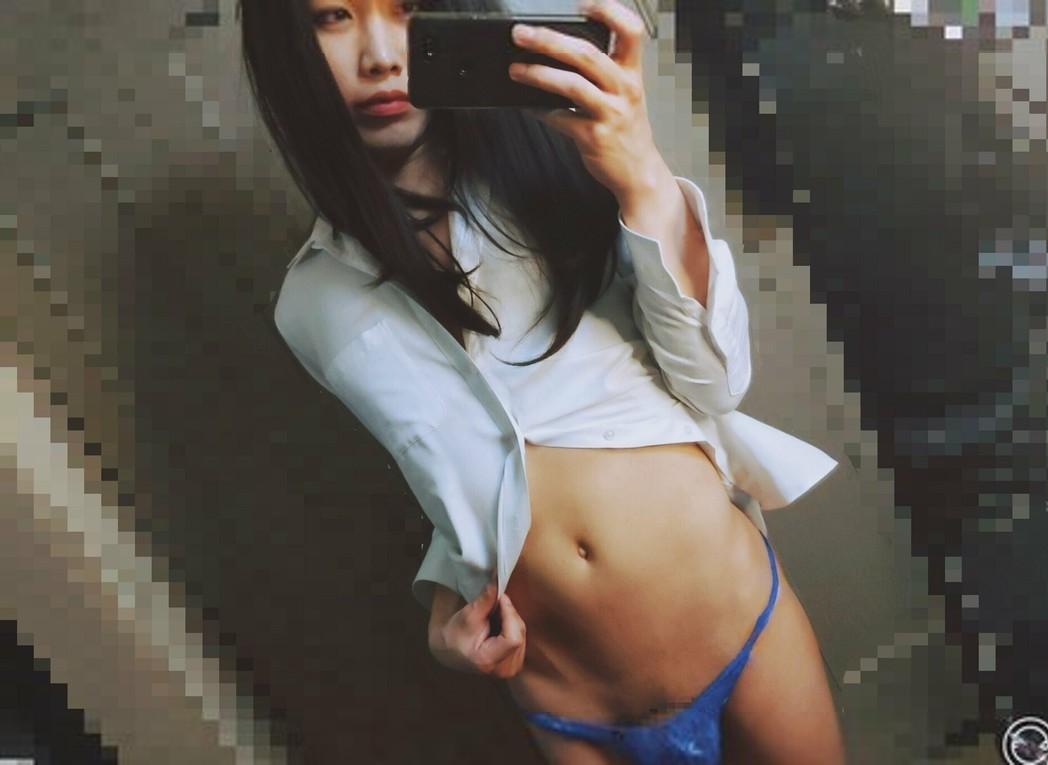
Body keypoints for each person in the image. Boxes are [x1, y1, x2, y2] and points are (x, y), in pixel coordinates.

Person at [245, 0, 847, 761]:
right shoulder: (312, 307)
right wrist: (444, 624)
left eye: (408, 9)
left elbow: (715, 382)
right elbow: (454, 477)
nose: (382, 56)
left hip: (739, 624)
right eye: (333, 16)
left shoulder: (562, 163)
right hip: (569, 704)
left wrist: (642, 176)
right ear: (285, 45)